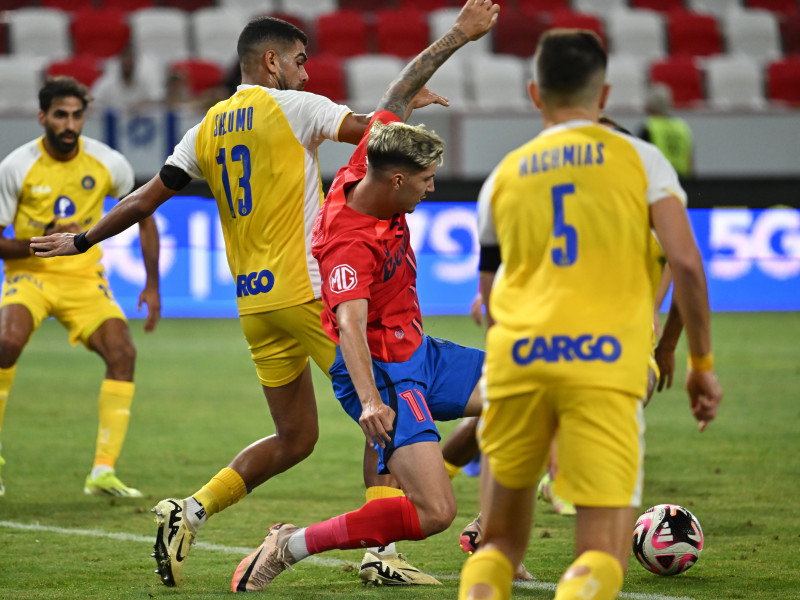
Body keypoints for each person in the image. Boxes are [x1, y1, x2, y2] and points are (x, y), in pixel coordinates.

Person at [31, 15, 453, 589]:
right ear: (272, 62)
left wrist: (81, 239)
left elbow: (144, 199)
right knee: (387, 410)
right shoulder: (293, 108)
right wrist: (407, 100)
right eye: (301, 61)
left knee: (296, 438)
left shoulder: (206, 128)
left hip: (255, 307)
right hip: (310, 293)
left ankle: (191, 511)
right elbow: (378, 145)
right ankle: (382, 551)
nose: (307, 75)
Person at [220, 1, 499, 592]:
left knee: (530, 389)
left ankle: (496, 540)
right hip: (388, 375)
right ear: (396, 180)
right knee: (433, 514)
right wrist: (372, 403)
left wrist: (458, 35)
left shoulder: (363, 169)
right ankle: (290, 545)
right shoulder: (348, 241)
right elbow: (348, 326)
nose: (429, 192)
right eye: (425, 183)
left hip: (420, 350)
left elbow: (397, 94)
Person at [458, 29, 722, 600]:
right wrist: (699, 361)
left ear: (534, 93)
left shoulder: (502, 176)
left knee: (498, 546)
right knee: (601, 552)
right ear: (604, 96)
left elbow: (489, 296)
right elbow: (687, 263)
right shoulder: (641, 160)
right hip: (605, 363)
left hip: (517, 363)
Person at [0, 76, 161, 498]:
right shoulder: (16, 166)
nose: (70, 124)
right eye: (60, 115)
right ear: (42, 118)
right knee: (5, 344)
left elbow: (145, 214)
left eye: (76, 115)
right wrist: (47, 239)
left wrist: (152, 284)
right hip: (30, 275)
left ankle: (103, 473)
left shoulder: (109, 162)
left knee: (123, 353)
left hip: (84, 279)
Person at [638, 83, 694, 178]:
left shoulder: (649, 127)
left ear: (649, 106)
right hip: (683, 183)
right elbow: (689, 160)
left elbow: (641, 161)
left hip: (658, 181)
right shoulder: (682, 127)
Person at [91, 44, 165, 111]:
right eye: (125, 61)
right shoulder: (107, 83)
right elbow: (92, 103)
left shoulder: (143, 84)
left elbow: (157, 100)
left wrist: (144, 104)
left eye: (130, 62)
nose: (128, 64)